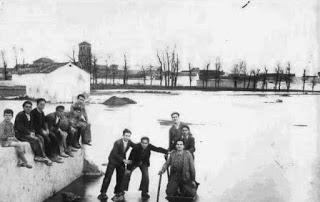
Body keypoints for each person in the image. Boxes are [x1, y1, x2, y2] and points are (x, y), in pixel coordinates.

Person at [98, 129, 137, 201]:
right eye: (126, 136)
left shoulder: (129, 142)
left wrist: (144, 146)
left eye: (129, 136)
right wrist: (124, 160)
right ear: (123, 136)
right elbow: (115, 154)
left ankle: (117, 192)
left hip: (121, 162)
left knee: (120, 177)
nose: (127, 137)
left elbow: (136, 146)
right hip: (113, 161)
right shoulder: (117, 142)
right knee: (108, 177)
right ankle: (103, 193)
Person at [14, 101, 51, 166]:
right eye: (26, 107)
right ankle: (37, 156)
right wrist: (29, 133)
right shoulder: (20, 115)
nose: (28, 108)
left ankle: (43, 155)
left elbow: (32, 125)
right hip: (20, 134)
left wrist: (33, 131)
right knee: (35, 139)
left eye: (30, 107)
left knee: (41, 137)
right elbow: (20, 127)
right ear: (23, 107)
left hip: (27, 133)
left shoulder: (30, 114)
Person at [30, 98, 63, 163]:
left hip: (42, 130)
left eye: (44, 105)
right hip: (36, 131)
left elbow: (44, 122)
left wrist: (47, 129)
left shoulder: (42, 112)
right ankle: (50, 156)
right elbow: (33, 125)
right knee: (47, 139)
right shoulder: (33, 112)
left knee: (53, 136)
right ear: (37, 104)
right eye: (41, 104)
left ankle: (55, 154)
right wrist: (42, 131)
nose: (42, 106)